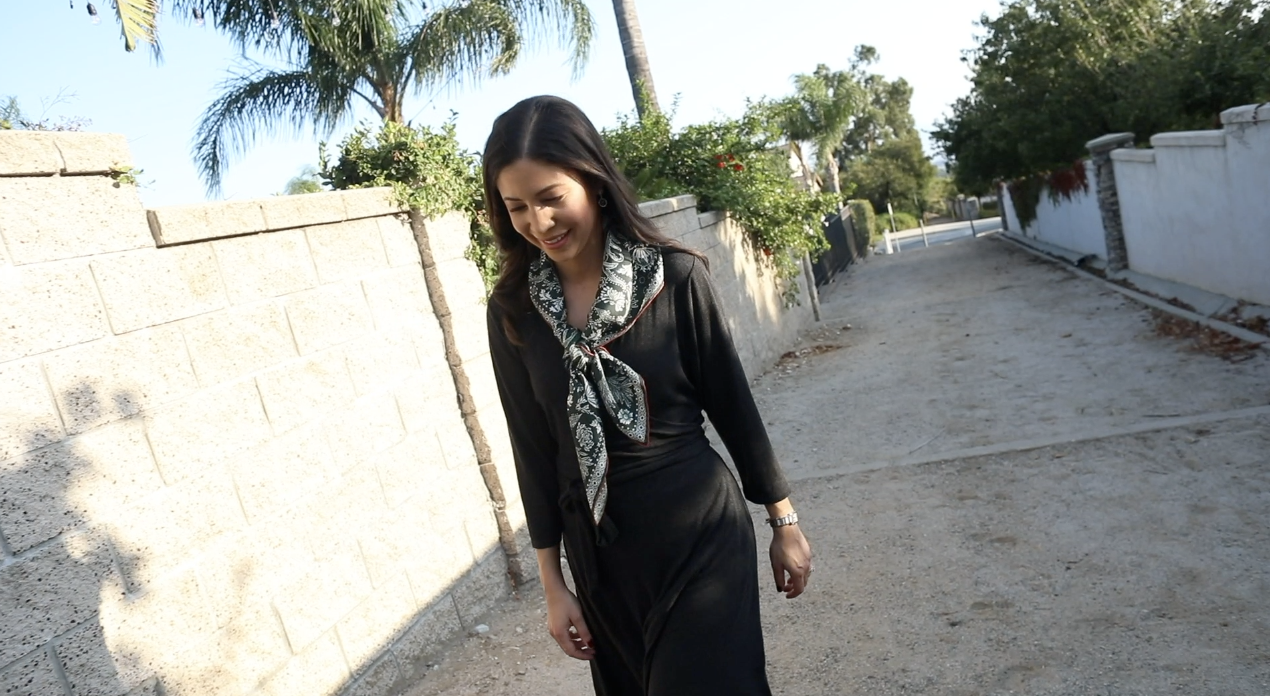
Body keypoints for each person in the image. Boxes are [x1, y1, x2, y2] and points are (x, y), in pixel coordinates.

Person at [483, 95, 813, 696]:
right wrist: (554, 585)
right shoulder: (514, 311)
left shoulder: (674, 276)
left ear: (594, 181)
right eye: (518, 207)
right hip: (603, 563)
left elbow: (733, 405)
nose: (540, 222)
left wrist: (783, 520)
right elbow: (533, 451)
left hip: (698, 534)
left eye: (552, 197)